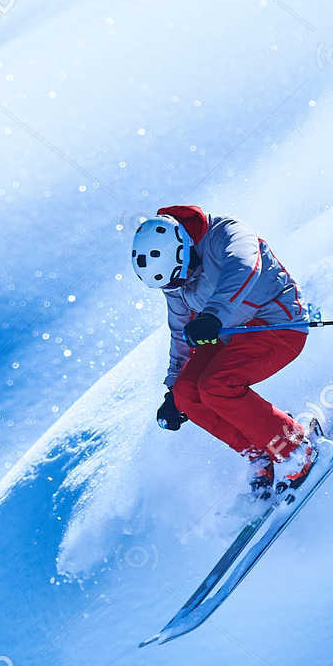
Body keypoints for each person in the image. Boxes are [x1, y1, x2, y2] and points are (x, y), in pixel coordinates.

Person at [130, 203, 317, 497]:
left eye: (179, 276)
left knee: (217, 386)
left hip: (276, 323)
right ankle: (258, 451)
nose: (180, 285)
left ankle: (293, 447)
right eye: (172, 284)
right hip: (230, 333)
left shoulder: (227, 234)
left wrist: (213, 315)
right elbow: (180, 331)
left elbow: (244, 269)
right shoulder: (176, 283)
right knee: (186, 392)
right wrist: (171, 389)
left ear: (184, 248)